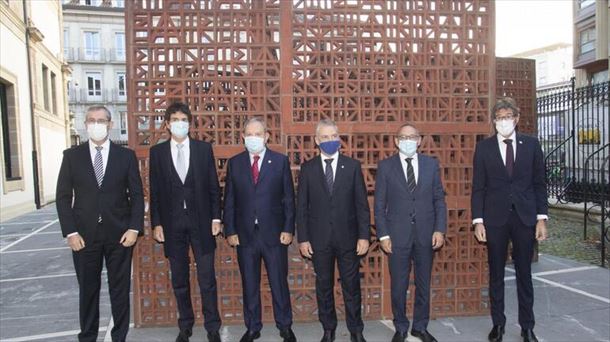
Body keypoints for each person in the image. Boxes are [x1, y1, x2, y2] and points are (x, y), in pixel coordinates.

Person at [56, 105, 144, 342]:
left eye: (101, 120)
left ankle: (119, 337)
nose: (96, 124)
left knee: (119, 289)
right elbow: (63, 197)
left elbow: (137, 195)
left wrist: (134, 228)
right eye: (91, 120)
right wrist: (70, 232)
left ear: (110, 124)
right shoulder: (71, 156)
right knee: (88, 290)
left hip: (120, 235)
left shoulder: (126, 156)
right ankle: (87, 336)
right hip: (83, 236)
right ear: (85, 125)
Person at [472, 97, 548, 342]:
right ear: (494, 121)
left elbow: (539, 184)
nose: (503, 121)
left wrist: (541, 219)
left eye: (507, 116)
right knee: (496, 274)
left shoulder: (532, 145)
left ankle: (527, 326)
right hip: (495, 219)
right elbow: (478, 188)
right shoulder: (484, 148)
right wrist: (478, 221)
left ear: (516, 118)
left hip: (525, 218)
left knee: (524, 273)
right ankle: (498, 324)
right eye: (499, 117)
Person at [149, 102, 222, 342]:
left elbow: (213, 186)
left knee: (207, 279)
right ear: (168, 124)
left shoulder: (203, 149)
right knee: (179, 279)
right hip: (172, 226)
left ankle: (212, 326)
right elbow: (155, 191)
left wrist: (216, 216)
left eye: (184, 119)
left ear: (189, 123)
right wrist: (156, 223)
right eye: (175, 119)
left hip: (201, 223)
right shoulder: (157, 153)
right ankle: (185, 324)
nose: (180, 123)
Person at [223, 117, 297, 342]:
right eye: (249, 134)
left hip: (274, 234)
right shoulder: (235, 163)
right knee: (249, 283)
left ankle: (285, 326)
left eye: (258, 133)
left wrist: (288, 228)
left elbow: (288, 199)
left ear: (266, 136)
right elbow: (229, 200)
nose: (254, 137)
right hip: (245, 235)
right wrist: (230, 230)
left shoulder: (280, 161)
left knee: (279, 282)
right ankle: (253, 327)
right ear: (243, 137)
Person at [296, 119, 370, 342]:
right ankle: (328, 329)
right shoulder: (307, 169)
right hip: (319, 240)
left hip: (348, 239)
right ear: (317, 140)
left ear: (339, 139)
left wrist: (364, 236)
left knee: (352, 286)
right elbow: (302, 207)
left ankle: (356, 330)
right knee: (324, 287)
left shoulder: (353, 166)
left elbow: (361, 205)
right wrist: (303, 239)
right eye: (325, 137)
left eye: (334, 136)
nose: (330, 140)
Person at [374, 123, 447, 342]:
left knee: (424, 283)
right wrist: (384, 235)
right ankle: (401, 326)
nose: (408, 140)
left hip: (426, 233)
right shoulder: (386, 167)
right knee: (399, 284)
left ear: (419, 140)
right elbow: (379, 205)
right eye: (403, 137)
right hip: (397, 236)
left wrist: (439, 229)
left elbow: (438, 200)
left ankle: (420, 327)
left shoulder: (430, 165)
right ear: (396, 141)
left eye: (412, 136)